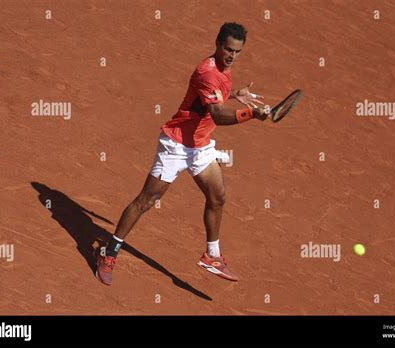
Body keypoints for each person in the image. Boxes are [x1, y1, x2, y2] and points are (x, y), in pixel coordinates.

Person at [96, 22, 268, 286]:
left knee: (217, 196)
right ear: (217, 44)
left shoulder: (225, 70)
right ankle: (109, 253)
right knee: (146, 200)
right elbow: (217, 115)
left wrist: (235, 95)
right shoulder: (206, 72)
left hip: (200, 146)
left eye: (237, 51)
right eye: (228, 49)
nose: (232, 56)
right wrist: (250, 114)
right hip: (176, 145)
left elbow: (213, 99)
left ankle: (212, 256)